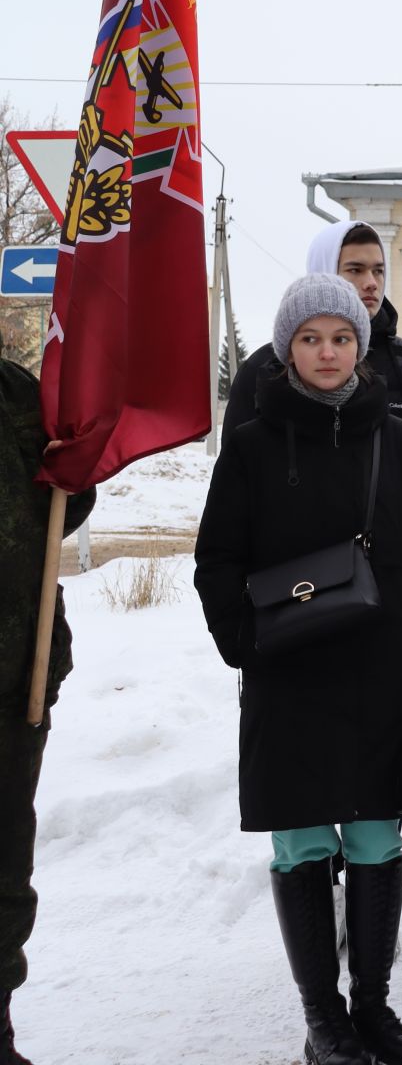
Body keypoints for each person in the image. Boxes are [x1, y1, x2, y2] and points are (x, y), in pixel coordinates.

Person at [193, 274, 402, 1065]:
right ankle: (323, 1021)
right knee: (302, 844)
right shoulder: (250, 443)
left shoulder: (396, 438)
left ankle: (372, 1009)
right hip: (290, 675)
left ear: (360, 347)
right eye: (311, 339)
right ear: (288, 349)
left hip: (380, 672)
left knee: (376, 838)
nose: (328, 351)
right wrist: (246, 641)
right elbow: (217, 559)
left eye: (341, 338)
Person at [225, 220, 402, 517]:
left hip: (389, 556)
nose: (372, 282)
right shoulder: (265, 369)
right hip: (281, 554)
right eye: (355, 270)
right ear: (323, 271)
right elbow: (232, 486)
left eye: (379, 270)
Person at [1, 360, 97, 1065]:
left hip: (15, 672)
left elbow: (66, 504)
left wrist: (77, 473)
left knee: (5, 864)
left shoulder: (19, 395)